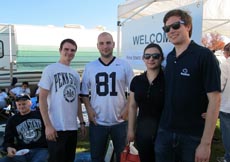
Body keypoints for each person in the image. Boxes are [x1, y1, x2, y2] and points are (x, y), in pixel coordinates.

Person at [154, 9, 221, 162]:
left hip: (192, 135)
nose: (171, 30)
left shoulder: (204, 56)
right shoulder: (169, 57)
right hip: (165, 132)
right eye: (167, 28)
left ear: (188, 26)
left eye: (176, 25)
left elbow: (215, 99)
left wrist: (205, 144)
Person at [80, 32, 134, 162]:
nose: (105, 46)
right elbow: (83, 92)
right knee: (97, 158)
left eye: (108, 43)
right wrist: (88, 109)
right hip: (98, 121)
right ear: (97, 46)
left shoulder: (124, 65)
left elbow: (133, 90)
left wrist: (127, 107)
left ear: (113, 44)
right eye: (102, 43)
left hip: (120, 122)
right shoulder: (90, 66)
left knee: (123, 157)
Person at [38, 38, 87, 162]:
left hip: (71, 127)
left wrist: (81, 122)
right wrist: (48, 125)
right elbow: (42, 98)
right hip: (56, 126)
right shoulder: (50, 69)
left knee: (69, 159)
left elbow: (76, 100)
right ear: (60, 50)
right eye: (66, 49)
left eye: (73, 50)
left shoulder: (75, 74)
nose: (69, 52)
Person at [127, 43, 164, 162]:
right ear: (143, 59)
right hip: (142, 132)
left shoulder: (168, 79)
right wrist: (131, 130)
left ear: (161, 58)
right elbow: (132, 106)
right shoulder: (137, 81)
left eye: (155, 56)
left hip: (164, 133)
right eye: (147, 56)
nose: (151, 59)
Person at [0, 93, 48, 162]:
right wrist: (9, 147)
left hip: (41, 149)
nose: (21, 106)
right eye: (19, 104)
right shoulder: (12, 120)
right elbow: (8, 139)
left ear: (30, 103)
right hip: (21, 152)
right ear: (16, 106)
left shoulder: (40, 114)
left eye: (24, 104)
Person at [217, 42, 230, 162]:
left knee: (227, 134)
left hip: (227, 107)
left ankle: (228, 157)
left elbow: (220, 85)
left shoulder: (226, 64)